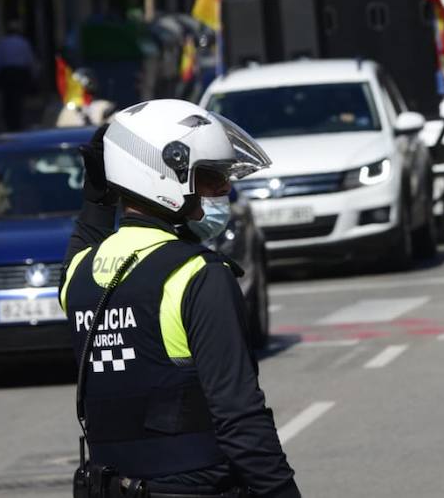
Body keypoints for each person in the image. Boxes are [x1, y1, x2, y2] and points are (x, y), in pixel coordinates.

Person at [60, 101, 300, 498]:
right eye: (209, 178)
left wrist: (97, 201)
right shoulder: (197, 276)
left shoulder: (80, 276)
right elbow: (239, 417)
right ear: (163, 176)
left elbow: (83, 243)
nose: (223, 190)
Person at [0, 20, 37, 132]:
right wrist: (34, 77)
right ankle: (17, 122)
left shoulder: (3, 43)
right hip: (19, 75)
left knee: (8, 101)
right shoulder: (23, 42)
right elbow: (31, 61)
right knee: (18, 100)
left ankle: (11, 123)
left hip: (8, 75)